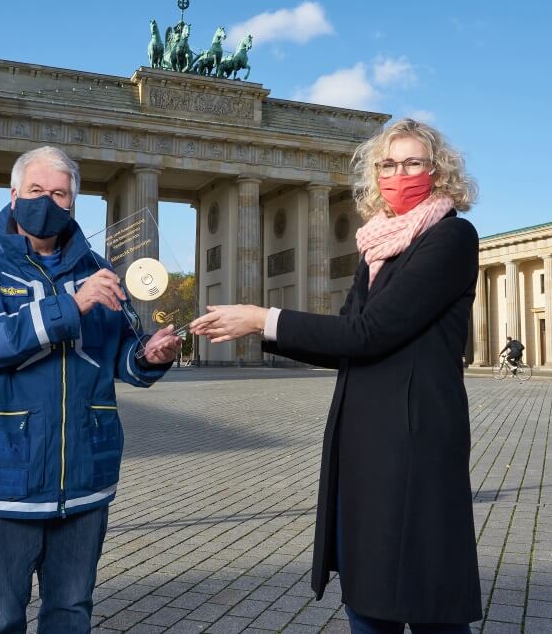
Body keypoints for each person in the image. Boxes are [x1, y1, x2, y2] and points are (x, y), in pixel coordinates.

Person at [191, 119, 482, 632]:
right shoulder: (377, 249)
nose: (400, 173)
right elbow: (347, 338)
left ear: (438, 172)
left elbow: (370, 333)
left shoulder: (451, 238)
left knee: (428, 597)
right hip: (367, 447)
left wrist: (263, 316)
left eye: (413, 162)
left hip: (415, 442)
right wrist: (258, 331)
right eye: (388, 165)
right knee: (368, 597)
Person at [0, 145, 181, 633]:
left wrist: (149, 356)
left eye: (59, 193)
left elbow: (118, 355)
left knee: (71, 613)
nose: (47, 201)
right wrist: (70, 304)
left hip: (84, 478)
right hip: (3, 480)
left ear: (73, 203)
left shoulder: (98, 266)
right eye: (36, 191)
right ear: (13, 194)